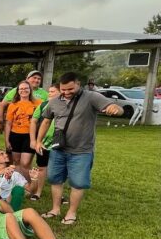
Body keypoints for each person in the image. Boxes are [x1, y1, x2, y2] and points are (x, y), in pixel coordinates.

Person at [35, 71, 123, 225]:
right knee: (55, 180)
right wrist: (38, 141)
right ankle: (55, 209)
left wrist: (115, 109)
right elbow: (46, 121)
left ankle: (71, 212)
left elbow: (115, 107)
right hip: (58, 148)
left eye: (70, 89)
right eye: (63, 89)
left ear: (78, 84)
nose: (66, 92)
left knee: (78, 182)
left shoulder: (91, 97)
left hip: (81, 151)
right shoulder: (54, 101)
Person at [28, 84, 60, 201]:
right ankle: (38, 192)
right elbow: (33, 121)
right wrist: (35, 140)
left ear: (60, 93)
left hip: (59, 143)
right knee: (42, 167)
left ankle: (58, 194)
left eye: (52, 91)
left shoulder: (67, 106)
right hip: (43, 143)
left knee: (57, 169)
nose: (49, 94)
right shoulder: (42, 105)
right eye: (49, 91)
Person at [4, 80, 41, 174]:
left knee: (25, 163)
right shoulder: (13, 105)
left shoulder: (38, 103)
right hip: (15, 135)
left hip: (30, 136)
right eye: (21, 89)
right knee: (16, 161)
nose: (23, 90)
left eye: (26, 88)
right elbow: (8, 123)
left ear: (30, 90)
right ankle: (18, 184)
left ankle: (28, 185)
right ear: (18, 91)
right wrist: (7, 140)